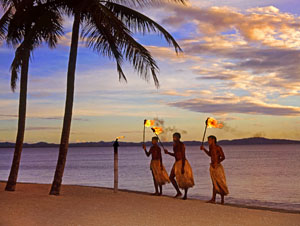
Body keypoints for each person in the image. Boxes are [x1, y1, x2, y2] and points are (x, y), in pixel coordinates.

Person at [164, 132, 194, 200]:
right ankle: (178, 192)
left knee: (185, 178)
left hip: (182, 162)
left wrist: (183, 166)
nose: (173, 138)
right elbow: (175, 154)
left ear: (178, 138)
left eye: (175, 137)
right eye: (173, 137)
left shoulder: (181, 145)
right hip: (176, 163)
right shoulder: (174, 145)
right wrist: (168, 153)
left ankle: (185, 195)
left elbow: (183, 155)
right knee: (171, 177)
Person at [200, 135, 229, 204]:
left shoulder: (218, 147)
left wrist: (217, 163)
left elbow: (223, 157)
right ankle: (213, 199)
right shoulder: (210, 147)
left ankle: (222, 200)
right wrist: (204, 149)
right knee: (214, 183)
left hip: (218, 167)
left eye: (209, 140)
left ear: (213, 140)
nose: (208, 141)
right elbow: (210, 154)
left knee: (220, 183)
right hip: (212, 166)